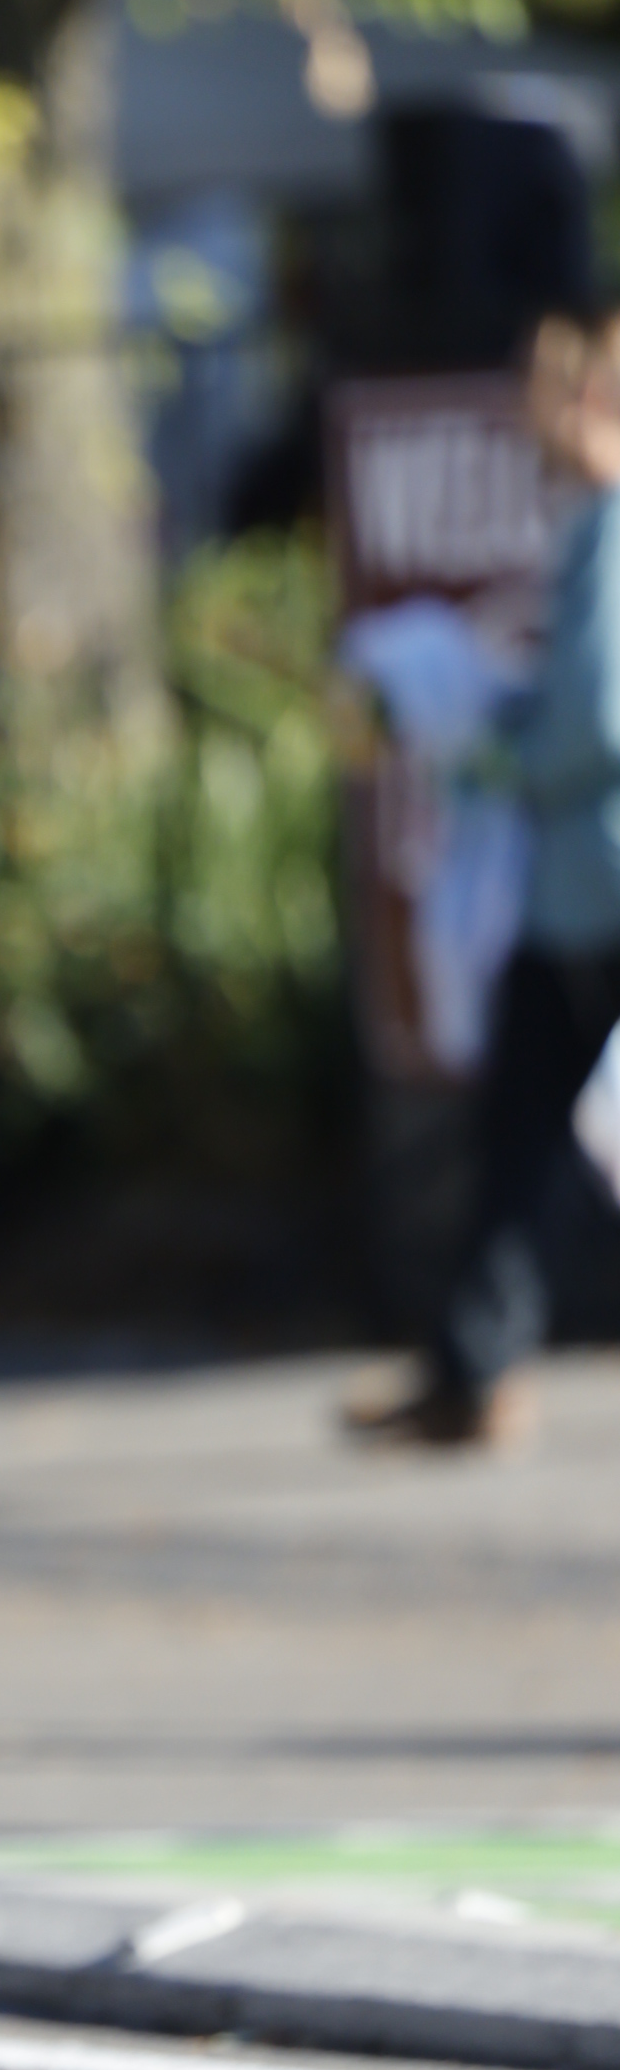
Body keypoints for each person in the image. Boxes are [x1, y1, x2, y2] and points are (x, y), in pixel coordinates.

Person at [359, 311, 620, 1447]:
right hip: (576, 885)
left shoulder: (610, 527)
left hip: (595, 880)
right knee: (525, 1127)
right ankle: (472, 1367)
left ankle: (473, 1369)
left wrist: (501, 750)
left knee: (532, 1127)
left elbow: (600, 718)